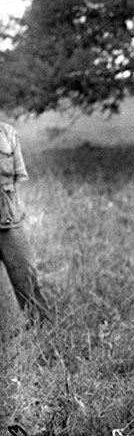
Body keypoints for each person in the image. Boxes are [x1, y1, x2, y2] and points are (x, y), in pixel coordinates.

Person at [0, 122, 51, 323]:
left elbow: (15, 182)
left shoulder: (7, 133)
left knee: (27, 282)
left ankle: (43, 338)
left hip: (8, 222)